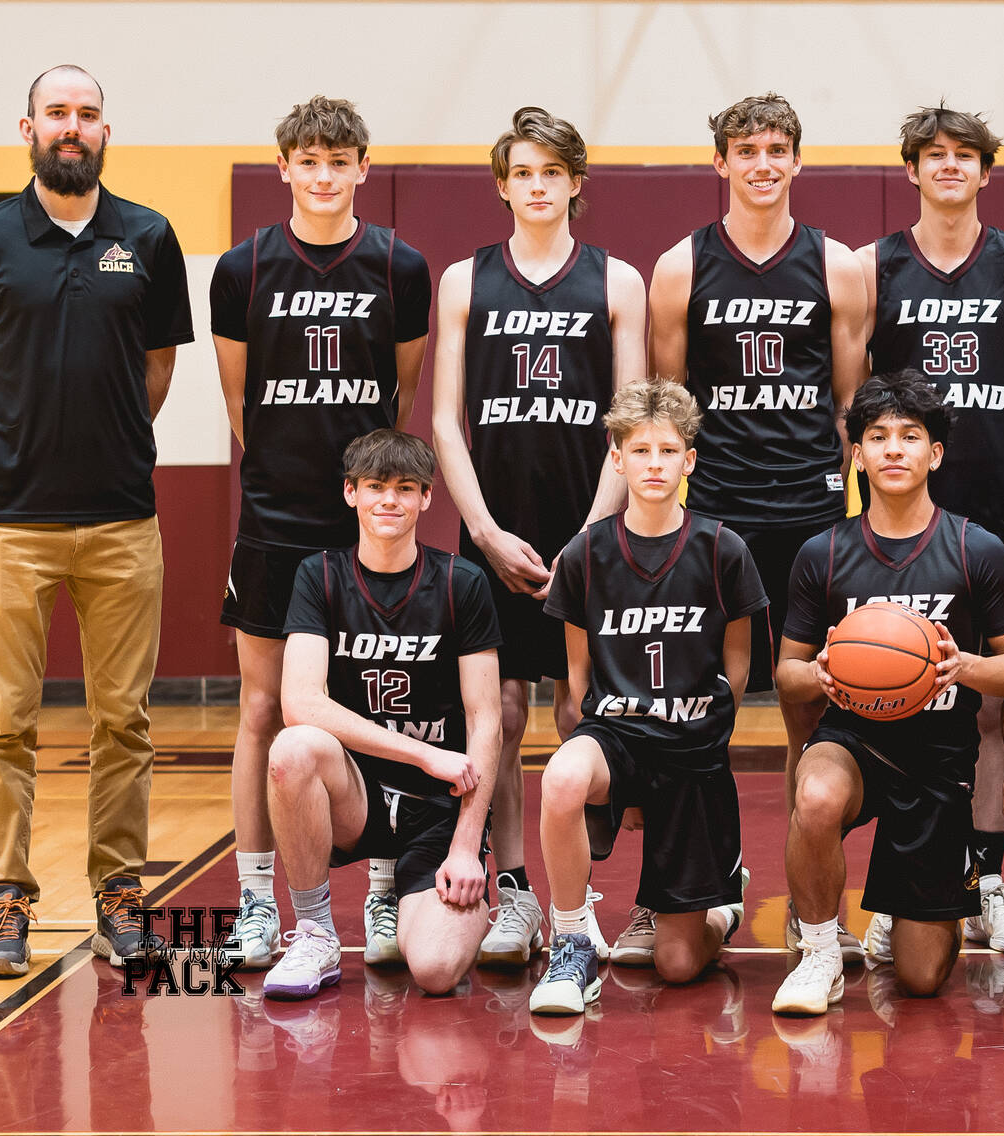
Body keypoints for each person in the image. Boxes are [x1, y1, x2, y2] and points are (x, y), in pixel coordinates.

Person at [0, 65, 193, 978]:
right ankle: (6, 902)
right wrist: (1, 452)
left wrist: (111, 439)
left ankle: (119, 896)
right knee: (4, 722)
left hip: (123, 520)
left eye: (86, 114)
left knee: (122, 722)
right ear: (27, 128)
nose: (71, 128)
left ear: (105, 131)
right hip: (9, 523)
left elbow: (157, 367)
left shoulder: (150, 239)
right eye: (57, 114)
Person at [210, 95, 432, 973]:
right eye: (309, 161)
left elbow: (399, 397)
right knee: (264, 711)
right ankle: (260, 900)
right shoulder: (243, 267)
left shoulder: (399, 265)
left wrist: (367, 488)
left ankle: (382, 894)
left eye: (340, 161)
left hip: (367, 522)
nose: (325, 175)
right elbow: (238, 402)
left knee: (385, 702)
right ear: (286, 169)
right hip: (275, 518)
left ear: (362, 170)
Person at [649, 91, 871, 958]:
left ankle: (810, 903)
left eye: (778, 149)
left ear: (797, 160)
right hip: (716, 517)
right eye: (746, 150)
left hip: (811, 510)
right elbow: (672, 404)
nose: (763, 164)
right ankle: (715, 880)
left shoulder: (836, 265)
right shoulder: (680, 266)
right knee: (702, 711)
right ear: (721, 163)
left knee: (809, 711)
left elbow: (848, 399)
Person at [433, 106, 648, 969]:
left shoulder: (616, 280)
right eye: (521, 173)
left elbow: (630, 422)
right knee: (506, 712)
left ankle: (579, 898)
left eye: (551, 173)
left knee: (582, 711)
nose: (535, 187)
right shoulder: (464, 280)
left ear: (575, 185)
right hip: (494, 523)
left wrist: (591, 534)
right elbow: (446, 424)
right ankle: (517, 891)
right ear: (502, 184)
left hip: (588, 524)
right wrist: (482, 530)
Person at [773, 374, 1004, 1014]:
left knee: (921, 978)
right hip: (853, 740)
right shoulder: (822, 553)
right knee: (816, 792)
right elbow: (786, 674)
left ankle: (905, 913)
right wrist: (823, 672)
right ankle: (821, 952)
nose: (893, 449)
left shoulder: (978, 548)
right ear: (855, 453)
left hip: (939, 756)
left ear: (935, 454)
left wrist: (962, 665)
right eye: (877, 437)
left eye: (910, 437)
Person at [858, 103, 1004, 956]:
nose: (948, 168)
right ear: (911, 170)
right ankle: (901, 885)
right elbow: (852, 401)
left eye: (964, 156)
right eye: (933, 156)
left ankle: (985, 877)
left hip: (994, 505)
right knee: (889, 693)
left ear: (985, 171)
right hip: (897, 518)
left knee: (989, 698)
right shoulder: (872, 267)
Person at [529, 380, 765, 1015]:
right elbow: (576, 680)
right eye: (640, 450)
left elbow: (737, 669)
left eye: (667, 451)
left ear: (689, 459)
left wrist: (696, 732)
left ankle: (723, 896)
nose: (654, 464)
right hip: (617, 741)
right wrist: (615, 778)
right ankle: (572, 941)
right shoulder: (584, 555)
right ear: (617, 457)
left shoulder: (723, 549)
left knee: (678, 965)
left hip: (691, 751)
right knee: (559, 779)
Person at [261, 429, 503, 1000]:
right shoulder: (318, 576)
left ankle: (416, 901)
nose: (388, 500)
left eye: (405, 488)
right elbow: (300, 702)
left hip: (436, 810)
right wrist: (423, 752)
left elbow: (487, 720)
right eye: (375, 486)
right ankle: (315, 933)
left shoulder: (460, 583)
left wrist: (468, 844)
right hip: (359, 796)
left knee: (438, 972)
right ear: (351, 494)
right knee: (291, 750)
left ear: (426, 499)